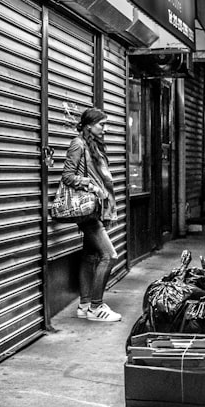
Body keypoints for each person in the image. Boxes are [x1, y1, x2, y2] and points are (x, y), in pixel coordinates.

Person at [62, 107, 121, 322]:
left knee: (89, 257)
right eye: (101, 124)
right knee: (109, 255)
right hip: (88, 210)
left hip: (98, 208)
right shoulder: (78, 144)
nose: (105, 128)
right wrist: (91, 186)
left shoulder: (93, 145)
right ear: (89, 125)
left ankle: (84, 304)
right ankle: (96, 307)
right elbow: (68, 176)